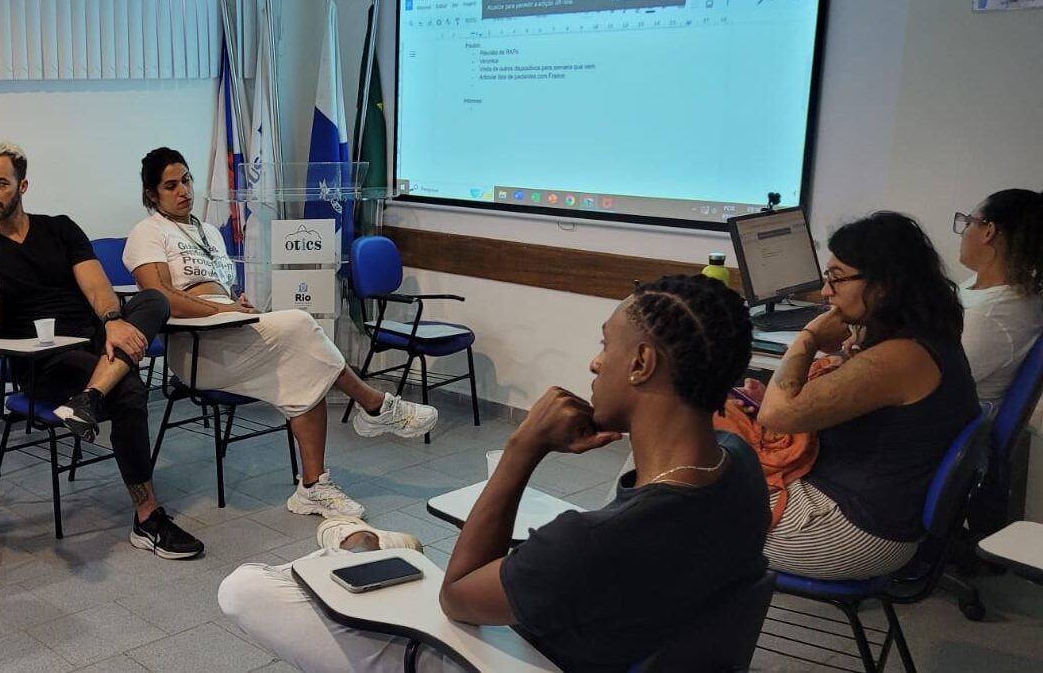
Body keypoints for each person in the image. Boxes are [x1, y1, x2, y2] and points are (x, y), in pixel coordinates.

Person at [219, 275, 770, 673]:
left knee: (246, 589)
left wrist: (522, 447)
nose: (595, 363)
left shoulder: (589, 544)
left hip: (494, 656)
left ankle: (363, 550)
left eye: (606, 346)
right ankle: (366, 550)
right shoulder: (738, 469)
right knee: (355, 566)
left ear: (642, 364)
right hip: (601, 636)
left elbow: (457, 598)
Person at [125, 148, 439, 518]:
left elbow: (221, 289)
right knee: (302, 325)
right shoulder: (147, 233)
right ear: (152, 194)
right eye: (171, 185)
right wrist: (221, 308)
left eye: (188, 180)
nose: (184, 191)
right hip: (196, 350)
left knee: (307, 366)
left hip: (229, 332)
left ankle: (313, 486)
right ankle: (374, 405)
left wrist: (233, 301)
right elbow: (161, 297)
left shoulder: (209, 231)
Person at [0, 141, 203, 559]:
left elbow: (96, 286)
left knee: (154, 301)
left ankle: (89, 397)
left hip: (95, 342)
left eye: (1, 183)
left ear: (23, 185)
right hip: (43, 361)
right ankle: (147, 518)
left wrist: (112, 321)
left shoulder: (59, 228)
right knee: (131, 391)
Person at [759, 211, 979, 580]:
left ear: (883, 286)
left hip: (852, 533)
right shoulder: (925, 338)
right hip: (874, 514)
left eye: (836, 278)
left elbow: (777, 414)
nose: (827, 291)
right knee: (708, 464)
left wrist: (808, 337)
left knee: (686, 489)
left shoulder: (900, 358)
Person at [953, 189, 1043, 408]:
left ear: (988, 231)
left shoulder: (991, 317)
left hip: (936, 425)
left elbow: (929, 383)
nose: (963, 233)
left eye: (968, 222)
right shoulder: (984, 286)